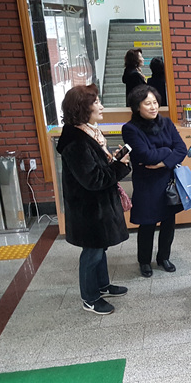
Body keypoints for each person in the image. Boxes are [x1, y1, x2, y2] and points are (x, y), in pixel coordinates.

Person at [56, 84, 130, 315]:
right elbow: (94, 179)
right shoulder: (76, 142)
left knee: (100, 247)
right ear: (82, 108)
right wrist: (121, 166)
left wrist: (114, 161)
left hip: (96, 206)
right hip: (87, 208)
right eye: (96, 102)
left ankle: (102, 285)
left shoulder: (88, 132)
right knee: (92, 251)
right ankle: (89, 298)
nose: (101, 106)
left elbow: (98, 167)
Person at [122, 85, 187, 278]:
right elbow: (144, 155)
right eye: (147, 103)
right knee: (147, 223)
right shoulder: (130, 129)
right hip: (147, 184)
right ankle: (144, 261)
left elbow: (181, 149)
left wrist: (163, 161)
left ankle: (163, 257)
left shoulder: (166, 123)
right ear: (137, 107)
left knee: (168, 222)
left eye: (155, 102)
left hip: (168, 181)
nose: (153, 107)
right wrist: (167, 151)